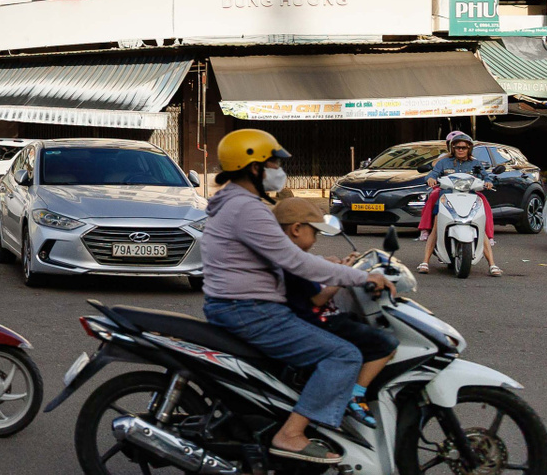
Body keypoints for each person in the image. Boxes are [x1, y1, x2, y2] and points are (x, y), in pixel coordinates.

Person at [201, 128, 396, 465]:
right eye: (275, 163)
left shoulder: (232, 204)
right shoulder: (247, 209)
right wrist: (362, 276)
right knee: (343, 355)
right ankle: (290, 434)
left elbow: (284, 258)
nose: (279, 170)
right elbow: (295, 261)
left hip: (235, 305)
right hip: (251, 310)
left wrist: (328, 265)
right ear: (254, 167)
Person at [274, 197, 397, 429]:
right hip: (316, 321)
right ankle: (355, 395)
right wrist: (342, 276)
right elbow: (317, 299)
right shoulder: (293, 261)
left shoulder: (289, 256)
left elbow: (318, 269)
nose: (315, 239)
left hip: (316, 318)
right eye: (314, 233)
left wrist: (338, 268)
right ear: (296, 229)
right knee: (386, 344)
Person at [417, 131, 502, 277]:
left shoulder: (476, 163)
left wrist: (488, 182)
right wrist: (431, 179)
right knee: (436, 226)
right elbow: (433, 174)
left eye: (464, 147)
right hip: (447, 197)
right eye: (457, 147)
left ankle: (492, 264)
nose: (461, 150)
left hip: (470, 197)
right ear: (453, 148)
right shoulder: (443, 162)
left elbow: (486, 177)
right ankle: (425, 262)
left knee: (479, 226)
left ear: (469, 149)